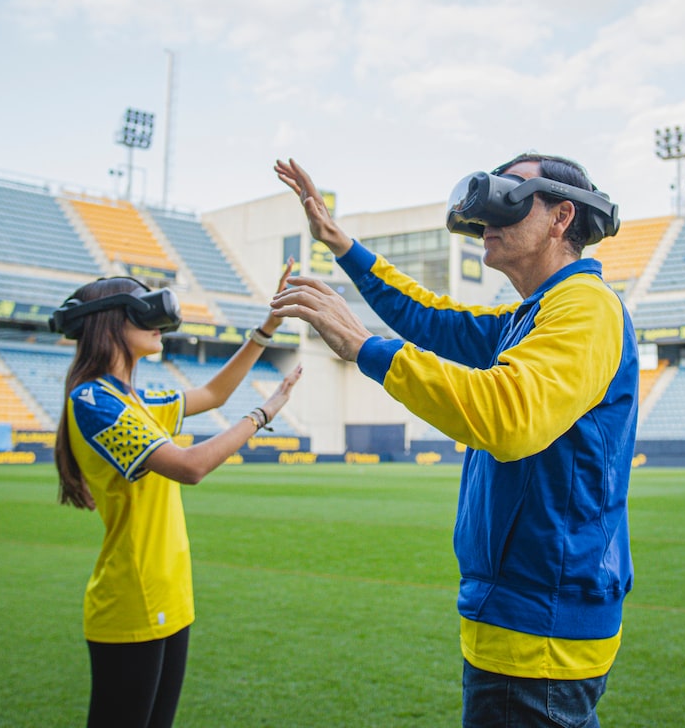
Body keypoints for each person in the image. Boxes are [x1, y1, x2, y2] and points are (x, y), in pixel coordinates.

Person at [270, 155, 637, 728]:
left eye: (509, 199)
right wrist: (342, 244)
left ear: (563, 216)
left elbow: (507, 416)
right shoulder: (529, 317)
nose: (487, 218)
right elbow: (431, 316)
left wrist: (365, 346)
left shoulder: (585, 307)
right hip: (524, 617)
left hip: (538, 626)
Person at [51, 271, 302, 728]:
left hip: (171, 592)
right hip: (131, 599)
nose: (157, 324)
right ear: (109, 322)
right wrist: (263, 413)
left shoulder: (136, 400)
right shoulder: (93, 399)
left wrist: (267, 329)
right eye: (141, 312)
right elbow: (190, 467)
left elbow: (213, 393)